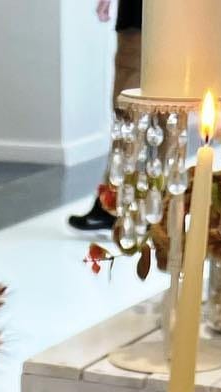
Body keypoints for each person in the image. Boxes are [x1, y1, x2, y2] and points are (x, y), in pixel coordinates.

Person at [69, 0, 144, 232]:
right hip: (169, 21)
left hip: (143, 20)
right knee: (148, 115)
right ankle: (137, 206)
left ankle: (114, 204)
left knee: (129, 114)